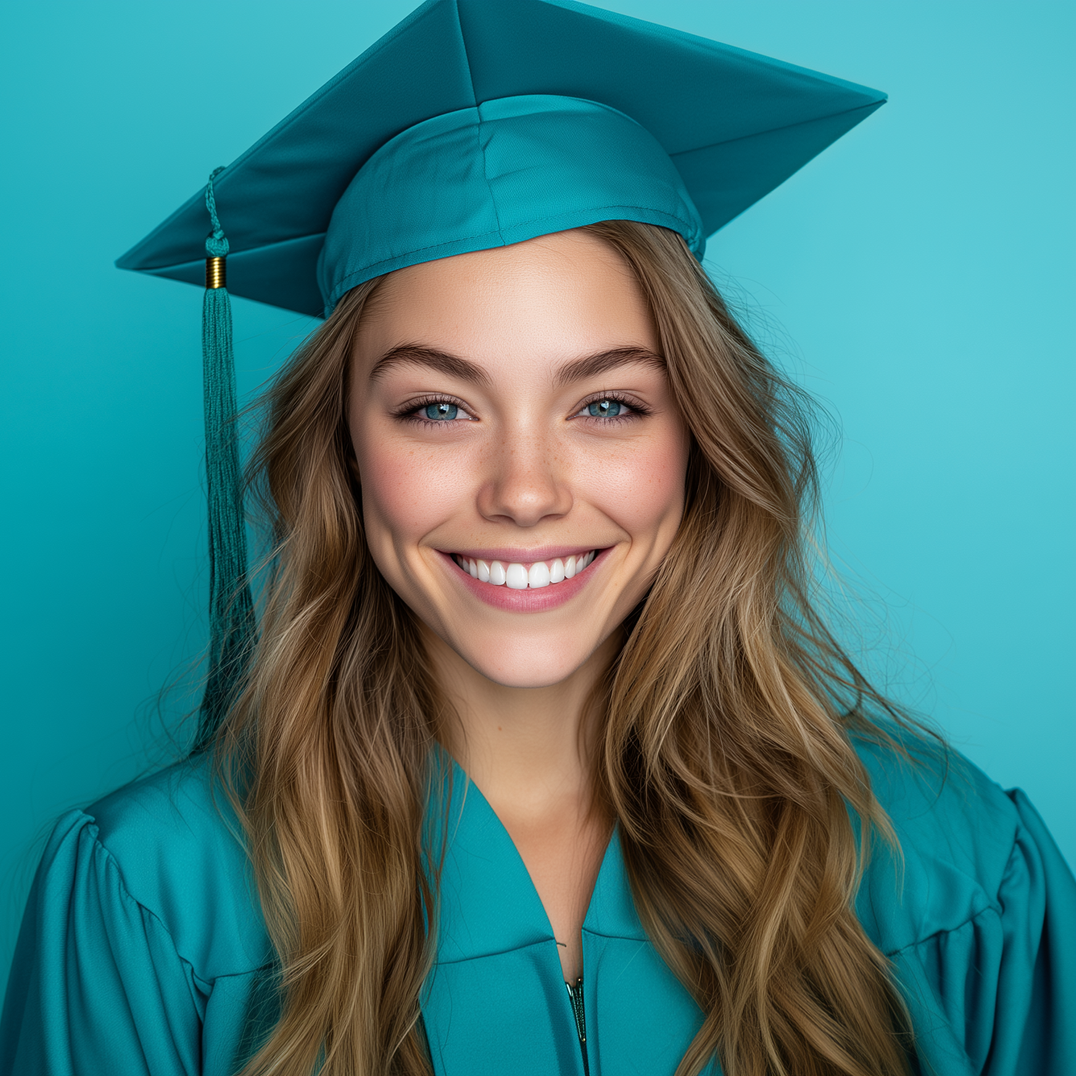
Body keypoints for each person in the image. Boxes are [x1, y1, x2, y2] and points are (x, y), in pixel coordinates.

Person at [1, 1, 1073, 1074]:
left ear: (698, 436)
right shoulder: (158, 894)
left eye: (606, 404)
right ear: (341, 448)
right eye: (437, 407)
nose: (524, 491)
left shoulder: (943, 862)